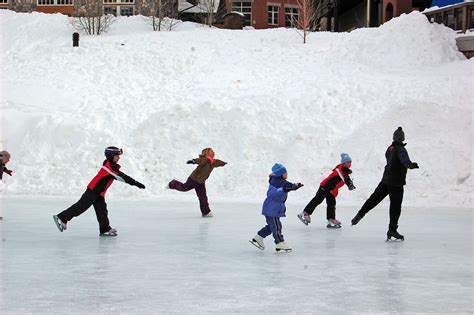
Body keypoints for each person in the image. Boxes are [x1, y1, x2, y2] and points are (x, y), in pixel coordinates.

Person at [53, 146, 146, 237]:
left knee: (102, 211)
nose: (119, 158)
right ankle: (62, 218)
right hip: (93, 191)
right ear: (111, 156)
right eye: (117, 155)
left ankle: (105, 229)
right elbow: (122, 177)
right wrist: (137, 183)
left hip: (99, 193)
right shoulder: (109, 168)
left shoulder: (111, 166)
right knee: (80, 207)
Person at [351, 127, 419, 241]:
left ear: (394, 137)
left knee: (373, 199)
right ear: (402, 138)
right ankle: (392, 230)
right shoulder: (401, 149)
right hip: (396, 183)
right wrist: (411, 165)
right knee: (395, 207)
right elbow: (404, 160)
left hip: (385, 180)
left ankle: (360, 214)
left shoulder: (390, 148)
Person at [250, 163, 303, 252]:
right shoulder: (278, 182)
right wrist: (294, 186)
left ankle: (258, 237)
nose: (287, 174)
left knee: (272, 226)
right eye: (285, 173)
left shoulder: (276, 180)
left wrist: (294, 186)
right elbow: (286, 186)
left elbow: (286, 186)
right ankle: (279, 243)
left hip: (272, 208)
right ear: (280, 174)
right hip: (272, 209)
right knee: (277, 226)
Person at [297, 153, 355, 228]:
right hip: (325, 186)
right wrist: (349, 184)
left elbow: (344, 178)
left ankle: (331, 220)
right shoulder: (340, 169)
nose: (350, 164)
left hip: (331, 190)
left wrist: (350, 184)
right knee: (318, 199)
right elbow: (345, 177)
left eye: (350, 162)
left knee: (331, 203)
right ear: (343, 163)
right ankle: (305, 213)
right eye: (348, 162)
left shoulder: (345, 170)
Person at [167, 148, 226, 217]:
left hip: (201, 182)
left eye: (213, 151)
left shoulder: (213, 162)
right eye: (211, 151)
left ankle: (206, 212)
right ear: (207, 153)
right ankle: (172, 183)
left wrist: (223, 163)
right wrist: (193, 161)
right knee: (184, 188)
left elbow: (218, 162)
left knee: (203, 197)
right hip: (194, 179)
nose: (213, 152)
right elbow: (200, 160)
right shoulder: (205, 159)